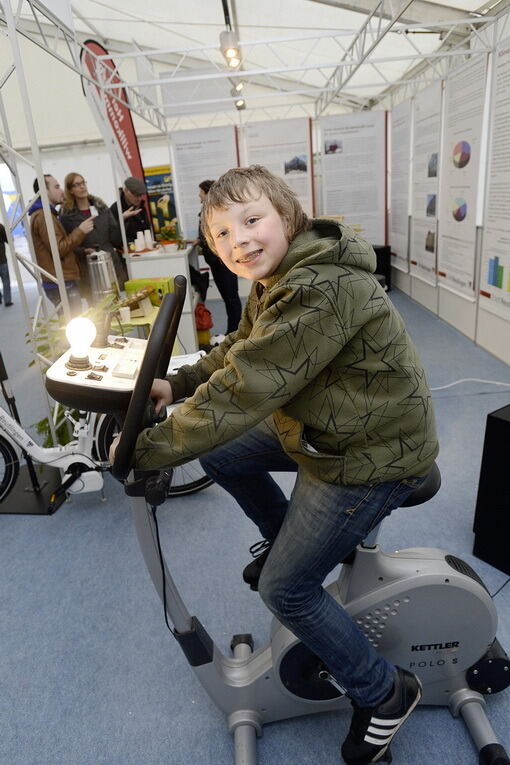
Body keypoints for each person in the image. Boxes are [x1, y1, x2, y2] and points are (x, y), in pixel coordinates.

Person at [111, 165, 439, 764]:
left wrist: (146, 449)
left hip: (369, 455)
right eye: (220, 235)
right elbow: (243, 350)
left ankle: (382, 692)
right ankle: (295, 543)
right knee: (222, 450)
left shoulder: (320, 288)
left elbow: (248, 386)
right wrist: (177, 382)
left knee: (285, 589)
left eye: (251, 220)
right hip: (327, 430)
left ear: (287, 215)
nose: (238, 241)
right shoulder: (279, 277)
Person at [59, 173, 138, 294]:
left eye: (83, 183)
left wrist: (122, 221)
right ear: (70, 190)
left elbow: (115, 239)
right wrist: (83, 251)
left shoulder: (101, 207)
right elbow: (67, 244)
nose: (82, 187)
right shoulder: (67, 215)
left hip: (111, 263)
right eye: (77, 185)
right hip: (89, 269)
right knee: (97, 308)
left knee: (121, 301)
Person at [29, 175, 93, 312]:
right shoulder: (44, 217)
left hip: (62, 280)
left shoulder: (48, 215)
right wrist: (80, 231)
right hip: (60, 283)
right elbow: (59, 249)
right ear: (44, 192)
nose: (62, 191)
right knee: (73, 326)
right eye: (57, 187)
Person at [197, 179, 242, 335]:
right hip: (216, 262)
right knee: (228, 298)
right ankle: (234, 329)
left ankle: (235, 330)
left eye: (201, 192)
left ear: (208, 193)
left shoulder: (216, 211)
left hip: (222, 262)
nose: (199, 195)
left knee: (231, 297)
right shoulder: (209, 210)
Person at [110, 176, 150, 244]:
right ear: (126, 191)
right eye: (136, 195)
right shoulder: (115, 209)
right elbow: (115, 239)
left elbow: (147, 228)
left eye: (141, 195)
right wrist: (123, 219)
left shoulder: (141, 206)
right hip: (126, 250)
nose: (139, 198)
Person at [0, 221, 13, 307]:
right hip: (1, 259)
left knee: (6, 280)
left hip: (2, 259)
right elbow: (8, 239)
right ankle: (7, 301)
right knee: (6, 280)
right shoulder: (0, 226)